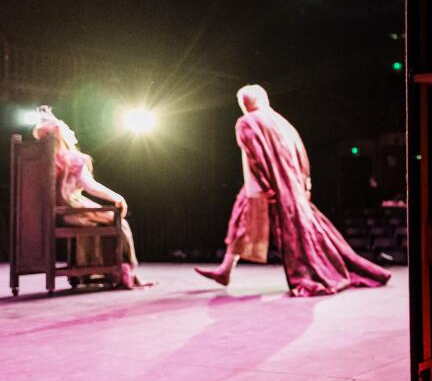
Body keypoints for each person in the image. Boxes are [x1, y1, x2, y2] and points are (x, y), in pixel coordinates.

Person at [195, 84, 391, 297]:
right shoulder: (283, 122)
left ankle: (311, 272)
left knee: (288, 232)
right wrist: (305, 184)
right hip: (289, 186)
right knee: (244, 219)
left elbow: (255, 154)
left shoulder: (247, 122)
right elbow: (301, 154)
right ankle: (225, 269)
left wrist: (267, 184)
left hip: (266, 186)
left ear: (245, 103)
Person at [32, 106, 152, 289]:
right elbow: (90, 186)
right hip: (70, 209)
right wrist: (116, 197)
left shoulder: (36, 160)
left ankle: (89, 272)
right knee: (120, 222)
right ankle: (126, 272)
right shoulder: (71, 158)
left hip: (42, 214)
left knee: (98, 223)